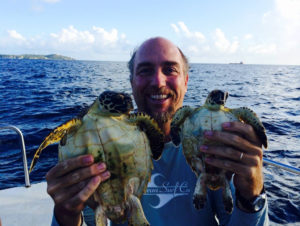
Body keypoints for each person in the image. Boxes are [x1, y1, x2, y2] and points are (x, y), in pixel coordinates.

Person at [50, 37, 268, 226]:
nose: (158, 81)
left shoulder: (215, 144)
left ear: (186, 81)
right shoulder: (97, 143)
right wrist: (66, 213)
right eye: (145, 71)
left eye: (170, 69)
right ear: (132, 81)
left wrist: (252, 193)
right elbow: (91, 218)